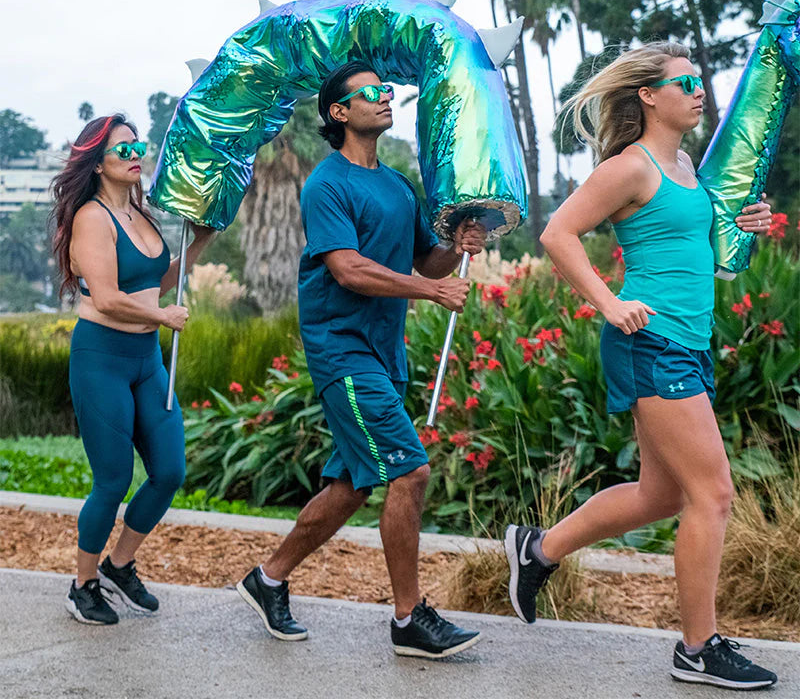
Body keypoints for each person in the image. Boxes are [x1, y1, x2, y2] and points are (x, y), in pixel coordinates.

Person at [503, 43, 778, 690]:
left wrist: (744, 224)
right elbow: (557, 233)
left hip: (688, 343)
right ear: (649, 96)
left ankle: (537, 550)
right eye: (685, 83)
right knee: (713, 494)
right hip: (650, 342)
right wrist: (609, 301)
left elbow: (694, 249)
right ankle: (698, 648)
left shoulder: (684, 168)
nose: (699, 91)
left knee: (661, 496)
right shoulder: (631, 166)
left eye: (700, 81)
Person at [236, 61, 486, 658]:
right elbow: (347, 269)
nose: (385, 96)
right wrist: (431, 291)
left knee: (350, 486)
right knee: (410, 472)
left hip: (384, 353)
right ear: (339, 112)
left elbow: (425, 261)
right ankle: (408, 619)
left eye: (387, 89)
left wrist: (455, 247)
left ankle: (268, 579)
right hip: (342, 351)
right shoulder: (327, 184)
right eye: (371, 92)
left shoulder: (398, 185)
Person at [51, 114, 215, 625]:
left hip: (146, 361)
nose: (135, 155)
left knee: (168, 472)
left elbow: (156, 284)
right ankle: (83, 586)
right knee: (113, 480)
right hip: (102, 358)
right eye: (122, 150)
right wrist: (162, 318)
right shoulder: (91, 218)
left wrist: (201, 240)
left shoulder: (141, 215)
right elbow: (106, 297)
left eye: (138, 146)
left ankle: (119, 565)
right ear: (98, 164)